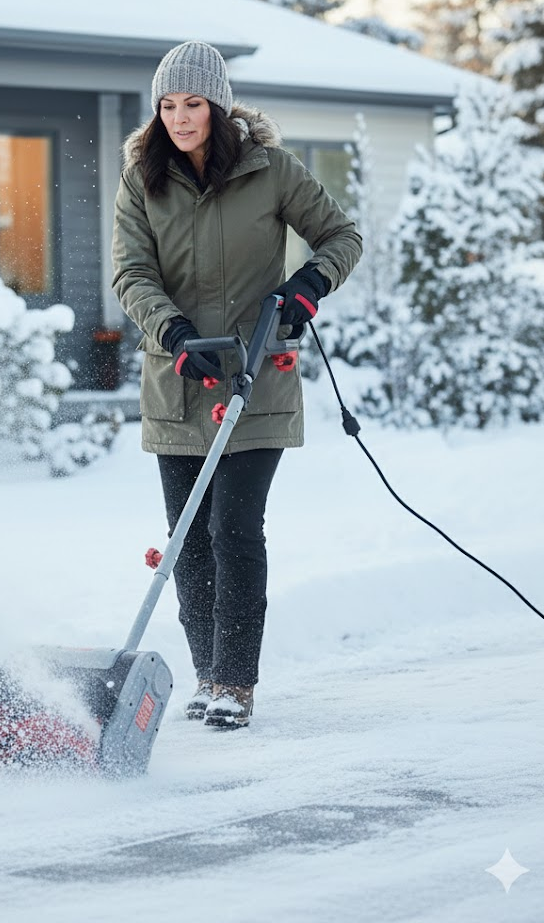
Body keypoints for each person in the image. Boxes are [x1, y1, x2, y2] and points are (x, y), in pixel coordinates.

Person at [111, 40, 362, 728]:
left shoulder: (272, 172)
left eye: (193, 104)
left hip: (257, 377)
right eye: (168, 105)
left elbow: (341, 236)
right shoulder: (142, 179)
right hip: (178, 379)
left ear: (218, 106)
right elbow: (132, 274)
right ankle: (205, 677)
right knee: (189, 537)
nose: (180, 118)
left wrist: (309, 284)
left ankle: (235, 683)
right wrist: (173, 335)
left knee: (233, 529)